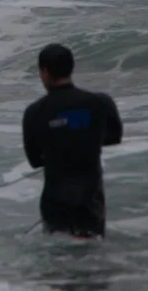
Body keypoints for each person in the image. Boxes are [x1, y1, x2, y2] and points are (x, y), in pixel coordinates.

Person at [21, 43, 123, 239]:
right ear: (71, 67)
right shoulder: (100, 103)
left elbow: (34, 160)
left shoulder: (34, 112)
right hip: (90, 203)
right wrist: (84, 140)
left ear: (45, 72)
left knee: (59, 252)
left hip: (55, 204)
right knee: (91, 250)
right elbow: (114, 137)